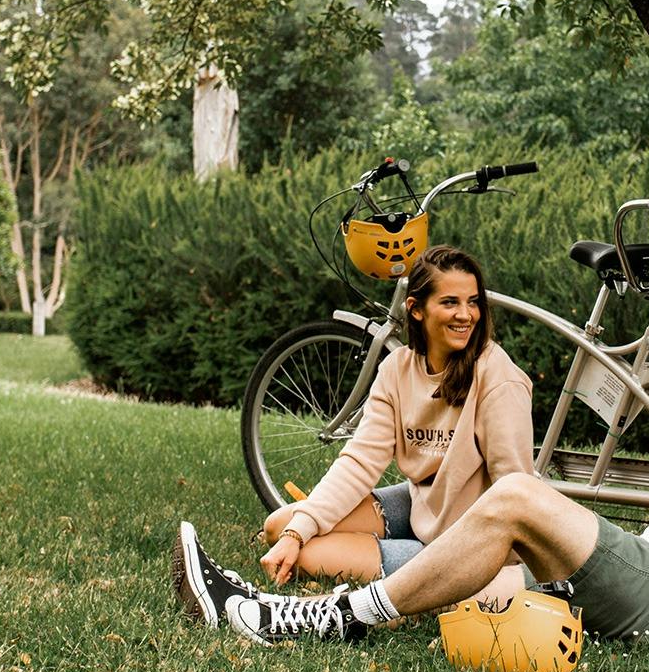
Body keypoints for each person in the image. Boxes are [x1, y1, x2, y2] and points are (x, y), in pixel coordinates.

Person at [175, 245, 649, 672]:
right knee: (480, 570)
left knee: (515, 501)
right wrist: (301, 527)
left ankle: (330, 619)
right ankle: (268, 609)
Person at [180, 246, 534, 624]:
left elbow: (515, 490)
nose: (466, 315)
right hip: (424, 507)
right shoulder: (398, 369)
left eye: (473, 302)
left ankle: (396, 567)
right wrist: (298, 532)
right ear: (416, 308)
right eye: (450, 302)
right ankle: (393, 551)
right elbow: (360, 462)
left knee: (312, 556)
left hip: (468, 548)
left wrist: (485, 569)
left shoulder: (498, 377)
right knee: (280, 527)